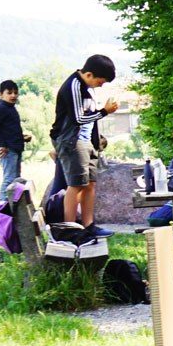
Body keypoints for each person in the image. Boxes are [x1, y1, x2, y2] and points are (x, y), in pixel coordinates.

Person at [50, 54, 119, 235]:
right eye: (100, 82)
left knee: (90, 184)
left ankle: (89, 226)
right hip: (72, 140)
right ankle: (70, 229)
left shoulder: (88, 88)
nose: (100, 85)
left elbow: (89, 115)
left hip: (88, 141)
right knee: (76, 184)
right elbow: (78, 118)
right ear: (89, 74)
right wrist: (105, 111)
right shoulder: (73, 86)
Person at [0, 80, 27, 201]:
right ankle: (2, 210)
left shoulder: (10, 108)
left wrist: (22, 137)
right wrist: (1, 144)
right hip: (8, 150)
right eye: (9, 93)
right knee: (9, 180)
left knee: (16, 180)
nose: (13, 95)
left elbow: (7, 129)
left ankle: (13, 209)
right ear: (1, 94)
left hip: (15, 148)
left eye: (15, 93)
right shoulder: (0, 108)